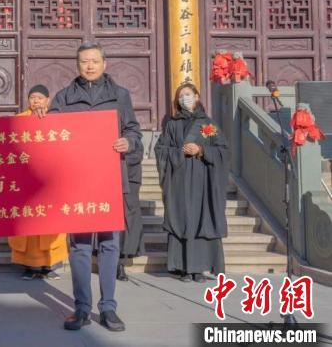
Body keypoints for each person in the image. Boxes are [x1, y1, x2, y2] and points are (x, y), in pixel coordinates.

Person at [39, 41, 142, 332]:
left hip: (109, 179)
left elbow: (133, 130)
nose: (90, 66)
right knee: (80, 247)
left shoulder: (120, 95)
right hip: (77, 181)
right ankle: (82, 308)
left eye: (95, 60)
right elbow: (50, 133)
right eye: (84, 61)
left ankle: (108, 308)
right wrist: (41, 118)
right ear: (77, 65)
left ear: (104, 63)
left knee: (109, 245)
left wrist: (128, 142)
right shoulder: (64, 97)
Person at [154, 83, 228, 283]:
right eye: (180, 96)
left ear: (197, 96)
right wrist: (179, 152)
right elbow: (161, 149)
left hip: (203, 182)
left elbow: (222, 151)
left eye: (187, 94)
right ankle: (182, 268)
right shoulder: (172, 124)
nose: (184, 98)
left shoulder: (208, 124)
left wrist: (201, 151)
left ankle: (199, 268)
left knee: (202, 219)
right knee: (181, 218)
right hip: (179, 180)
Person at [8, 84, 68, 280]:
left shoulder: (55, 119)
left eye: (40, 98)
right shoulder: (19, 120)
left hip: (47, 183)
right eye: (32, 97)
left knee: (48, 224)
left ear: (48, 100)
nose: (36, 101)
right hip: (25, 182)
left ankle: (48, 267)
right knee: (27, 227)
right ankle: (28, 267)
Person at [117, 139, 145, 282]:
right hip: (105, 178)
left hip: (128, 179)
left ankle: (121, 263)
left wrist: (126, 148)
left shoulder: (131, 134)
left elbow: (138, 152)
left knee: (127, 222)